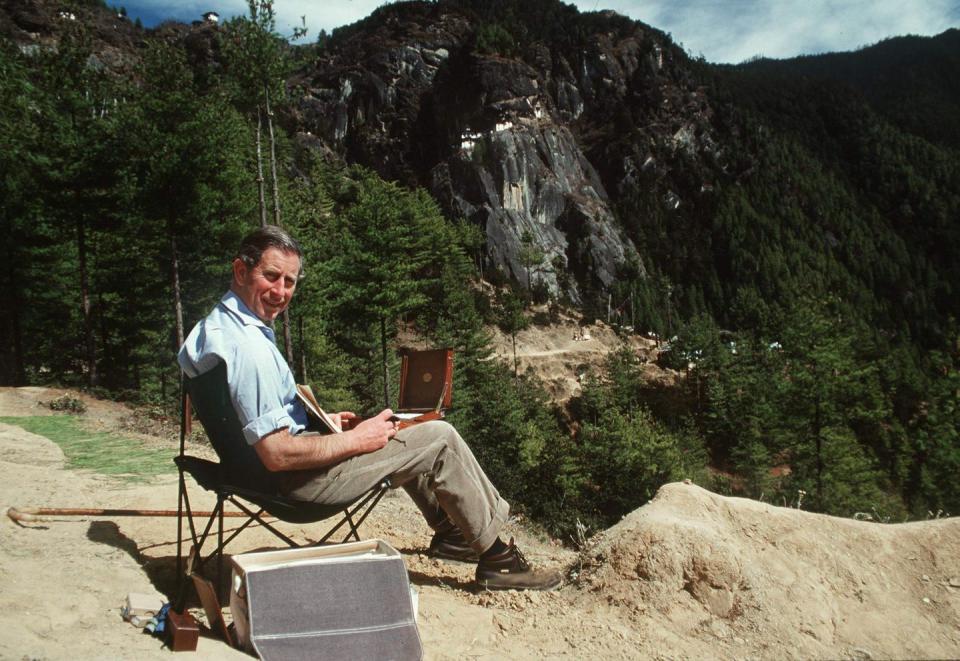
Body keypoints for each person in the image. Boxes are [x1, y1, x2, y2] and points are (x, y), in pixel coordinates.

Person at [178, 225, 561, 591]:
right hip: (298, 486)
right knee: (439, 436)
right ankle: (498, 560)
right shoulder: (250, 348)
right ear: (241, 270)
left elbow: (252, 415)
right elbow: (277, 454)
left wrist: (319, 423)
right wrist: (359, 440)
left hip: (254, 473)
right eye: (271, 276)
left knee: (399, 429)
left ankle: (452, 536)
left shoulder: (214, 330)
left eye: (289, 281)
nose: (281, 291)